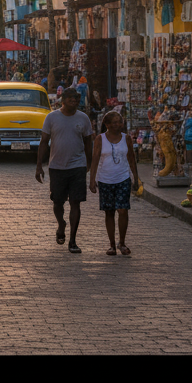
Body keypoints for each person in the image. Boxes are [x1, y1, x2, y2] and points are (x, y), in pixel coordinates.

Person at [35, 86, 93, 254]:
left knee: (76, 202)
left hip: (78, 166)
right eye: (70, 99)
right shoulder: (52, 118)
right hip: (57, 166)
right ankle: (61, 224)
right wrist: (39, 165)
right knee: (58, 202)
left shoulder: (83, 118)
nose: (73, 102)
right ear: (62, 101)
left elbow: (88, 141)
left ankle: (73, 240)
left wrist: (89, 163)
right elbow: (44, 142)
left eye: (76, 100)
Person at [88, 109, 139, 256]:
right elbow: (95, 159)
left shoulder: (126, 138)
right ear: (107, 124)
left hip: (123, 178)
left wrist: (136, 177)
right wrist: (92, 180)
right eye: (114, 122)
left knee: (123, 210)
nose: (118, 125)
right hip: (105, 180)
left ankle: (122, 243)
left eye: (120, 122)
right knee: (109, 212)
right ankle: (111, 245)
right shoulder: (100, 139)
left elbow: (131, 158)